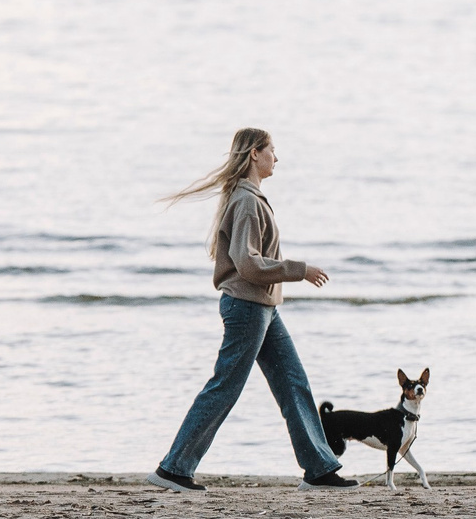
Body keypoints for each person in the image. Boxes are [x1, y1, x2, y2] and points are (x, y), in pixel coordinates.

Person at [147, 127, 357, 492]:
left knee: (293, 383)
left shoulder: (250, 198)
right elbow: (247, 264)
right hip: (247, 307)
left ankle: (319, 469)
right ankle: (174, 469)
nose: (277, 157)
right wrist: (298, 270)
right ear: (255, 154)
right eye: (273, 150)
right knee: (225, 387)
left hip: (263, 308)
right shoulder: (246, 201)